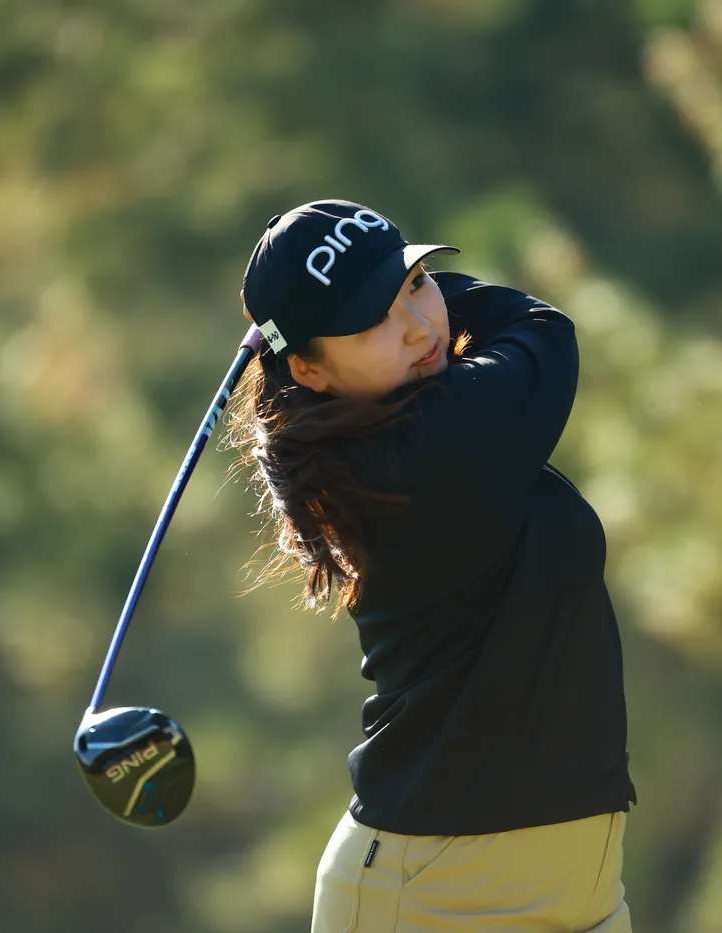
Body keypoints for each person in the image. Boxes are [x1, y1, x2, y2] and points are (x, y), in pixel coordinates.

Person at [228, 199, 636, 932]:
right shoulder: (422, 448)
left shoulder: (404, 431)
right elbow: (543, 330)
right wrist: (430, 288)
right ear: (309, 369)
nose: (419, 327)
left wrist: (381, 290)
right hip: (432, 897)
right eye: (371, 320)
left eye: (418, 283)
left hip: (582, 888)